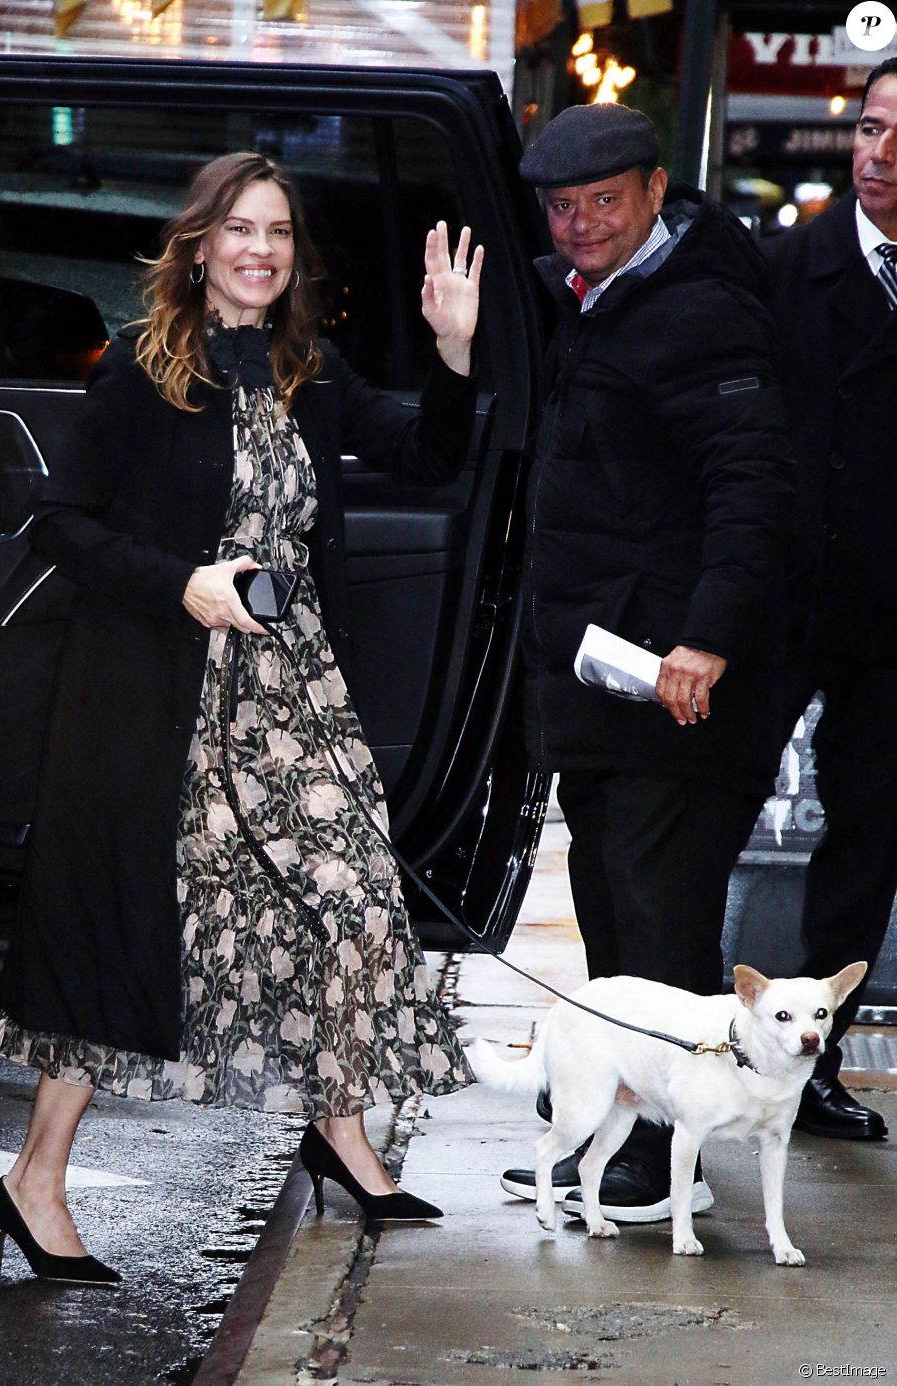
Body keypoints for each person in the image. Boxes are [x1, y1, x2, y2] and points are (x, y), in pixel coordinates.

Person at [0, 152, 483, 1283]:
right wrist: (184, 584)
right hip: (162, 696)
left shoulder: (305, 368)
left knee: (356, 899)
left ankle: (340, 1125)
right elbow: (57, 524)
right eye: (239, 230)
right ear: (200, 244)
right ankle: (36, 1182)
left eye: (280, 234)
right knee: (130, 932)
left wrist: (453, 350)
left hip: (292, 697)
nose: (261, 250)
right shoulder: (145, 371)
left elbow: (429, 451)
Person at [499, 103, 794, 1222]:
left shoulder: (701, 314)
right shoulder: (585, 301)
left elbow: (751, 488)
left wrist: (705, 637)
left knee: (656, 917)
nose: (577, 226)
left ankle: (662, 1169)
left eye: (601, 204)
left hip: (676, 683)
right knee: (613, 911)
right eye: (561, 207)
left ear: (655, 191)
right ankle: (620, 1136)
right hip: (604, 680)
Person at [758, 58, 897, 1142]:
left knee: (865, 837)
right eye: (866, 127)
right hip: (773, 596)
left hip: (886, 617)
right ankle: (660, 1062)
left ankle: (810, 1067)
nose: (878, 153)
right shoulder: (783, 269)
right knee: (696, 817)